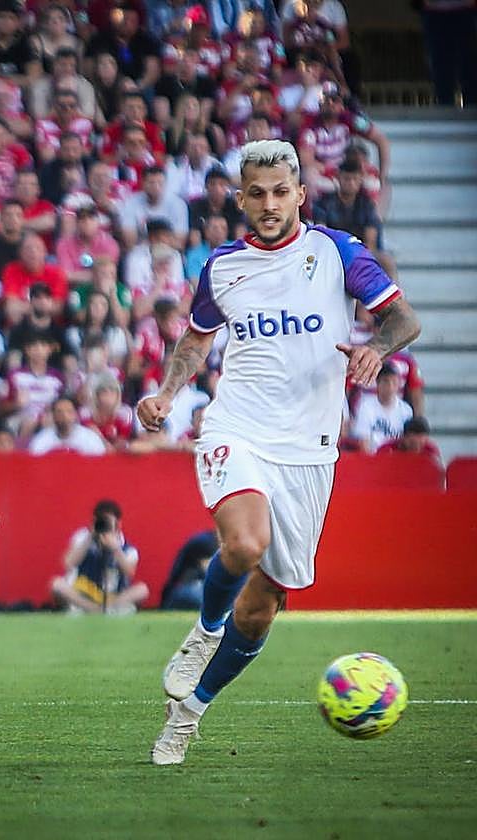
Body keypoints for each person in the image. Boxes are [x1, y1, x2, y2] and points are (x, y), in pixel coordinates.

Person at [136, 139, 420, 765]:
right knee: (244, 543)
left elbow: (403, 320)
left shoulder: (338, 252)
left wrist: (377, 347)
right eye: (256, 193)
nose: (268, 205)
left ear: (299, 194)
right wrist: (166, 391)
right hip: (237, 425)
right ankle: (204, 630)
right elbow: (195, 339)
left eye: (278, 192)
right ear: (240, 199)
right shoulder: (223, 266)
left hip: (310, 450)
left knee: (266, 603)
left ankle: (188, 713)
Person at [50, 500, 148, 615]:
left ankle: (104, 608)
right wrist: (90, 536)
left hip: (112, 595)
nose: (104, 525)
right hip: (83, 592)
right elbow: (68, 563)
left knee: (142, 590)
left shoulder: (127, 548)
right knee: (56, 584)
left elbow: (130, 572)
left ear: (118, 524)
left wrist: (116, 549)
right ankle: (94, 609)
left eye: (108, 522)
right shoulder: (83, 537)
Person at [350, 364, 414, 454]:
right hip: (373, 459)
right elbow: (363, 443)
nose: (390, 387)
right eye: (386, 382)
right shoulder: (366, 407)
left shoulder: (406, 410)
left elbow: (409, 443)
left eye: (394, 382)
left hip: (398, 459)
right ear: (378, 383)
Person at [159, 530, 219, 611]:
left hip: (186, 590)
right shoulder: (206, 541)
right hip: (186, 588)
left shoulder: (211, 540)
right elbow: (212, 573)